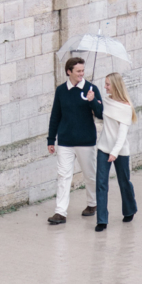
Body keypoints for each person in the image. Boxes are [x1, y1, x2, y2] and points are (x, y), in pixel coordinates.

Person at [46, 56, 102, 224]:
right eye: (78, 71)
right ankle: (60, 212)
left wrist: (93, 101)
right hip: (65, 141)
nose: (81, 74)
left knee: (90, 175)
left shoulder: (92, 89)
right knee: (63, 176)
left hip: (86, 140)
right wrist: (51, 139)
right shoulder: (61, 91)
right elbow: (55, 115)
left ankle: (92, 204)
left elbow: (100, 114)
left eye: (83, 71)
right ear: (69, 72)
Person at [93, 73, 138, 231]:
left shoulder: (126, 107)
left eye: (107, 84)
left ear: (115, 85)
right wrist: (92, 102)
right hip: (103, 148)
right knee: (101, 184)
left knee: (124, 181)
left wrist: (115, 152)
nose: (104, 87)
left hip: (120, 151)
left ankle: (129, 209)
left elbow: (122, 134)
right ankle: (102, 220)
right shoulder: (106, 101)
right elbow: (101, 119)